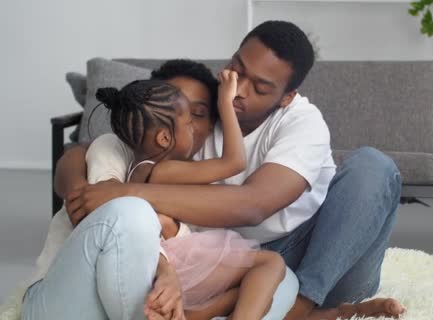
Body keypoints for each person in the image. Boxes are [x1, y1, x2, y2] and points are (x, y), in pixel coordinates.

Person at [57, 21, 406, 319]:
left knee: (373, 166)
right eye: (237, 69)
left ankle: (300, 307)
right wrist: (80, 189)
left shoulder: (302, 123)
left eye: (260, 87)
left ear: (286, 96)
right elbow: (94, 148)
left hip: (326, 262)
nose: (238, 89)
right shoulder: (200, 110)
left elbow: (253, 205)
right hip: (232, 265)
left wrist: (125, 192)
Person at [21, 63, 298, 320]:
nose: (193, 126)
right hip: (159, 262)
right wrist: (226, 103)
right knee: (270, 264)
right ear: (164, 137)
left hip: (156, 269)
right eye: (189, 120)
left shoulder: (140, 168)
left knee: (276, 277)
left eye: (199, 115)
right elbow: (235, 162)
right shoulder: (160, 169)